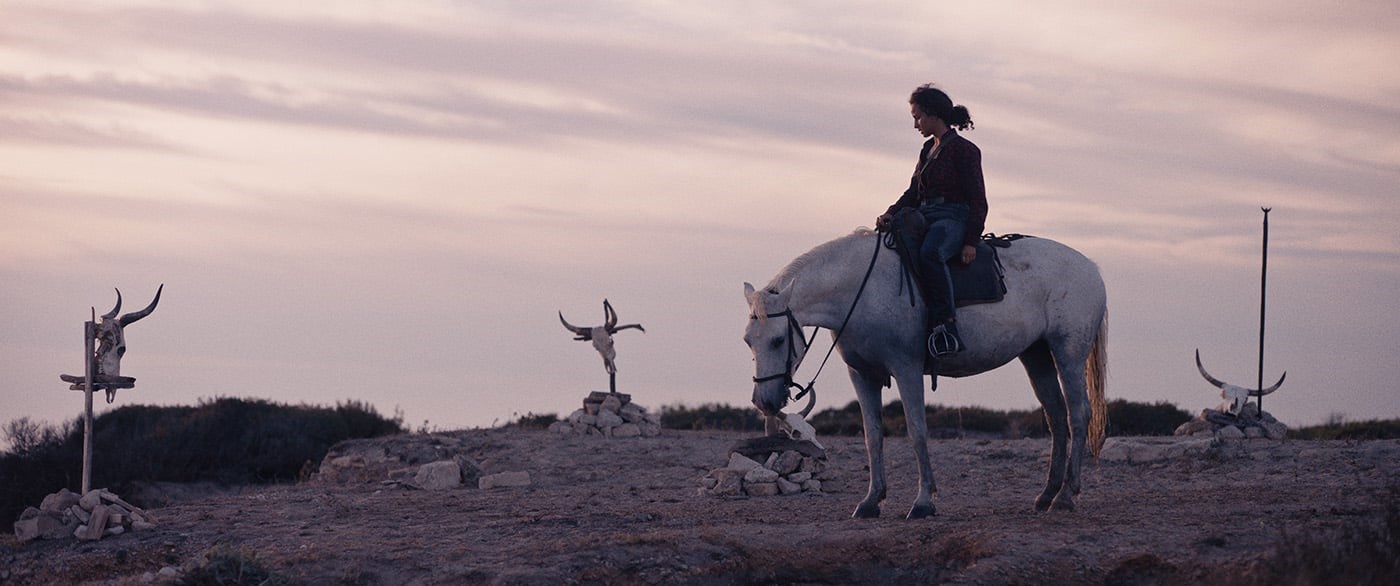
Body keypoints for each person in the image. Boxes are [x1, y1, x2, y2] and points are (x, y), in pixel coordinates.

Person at [875, 84, 988, 359]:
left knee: (930, 253)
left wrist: (971, 240)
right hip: (926, 216)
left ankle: (945, 326)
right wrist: (890, 213)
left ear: (934, 115)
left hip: (954, 218)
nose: (915, 124)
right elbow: (913, 192)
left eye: (918, 117)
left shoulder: (964, 150)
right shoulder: (927, 149)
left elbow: (978, 200)